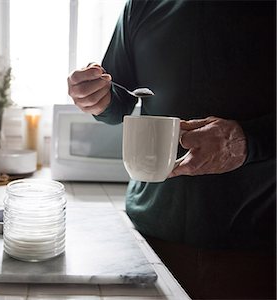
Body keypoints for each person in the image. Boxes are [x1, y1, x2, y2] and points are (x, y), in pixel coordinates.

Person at [67, 1, 276, 299]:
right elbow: (120, 99)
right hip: (147, 233)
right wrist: (96, 96)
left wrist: (248, 140)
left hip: (253, 246)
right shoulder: (141, 5)